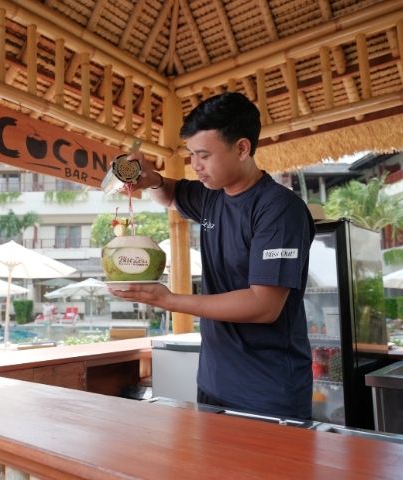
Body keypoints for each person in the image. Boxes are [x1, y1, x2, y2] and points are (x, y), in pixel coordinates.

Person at [110, 92, 315, 419]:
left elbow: (264, 305)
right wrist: (152, 180)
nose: (196, 166)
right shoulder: (211, 197)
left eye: (204, 155)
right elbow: (170, 195)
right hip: (213, 381)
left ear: (242, 148)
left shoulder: (278, 210)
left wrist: (169, 300)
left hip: (269, 390)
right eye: (191, 154)